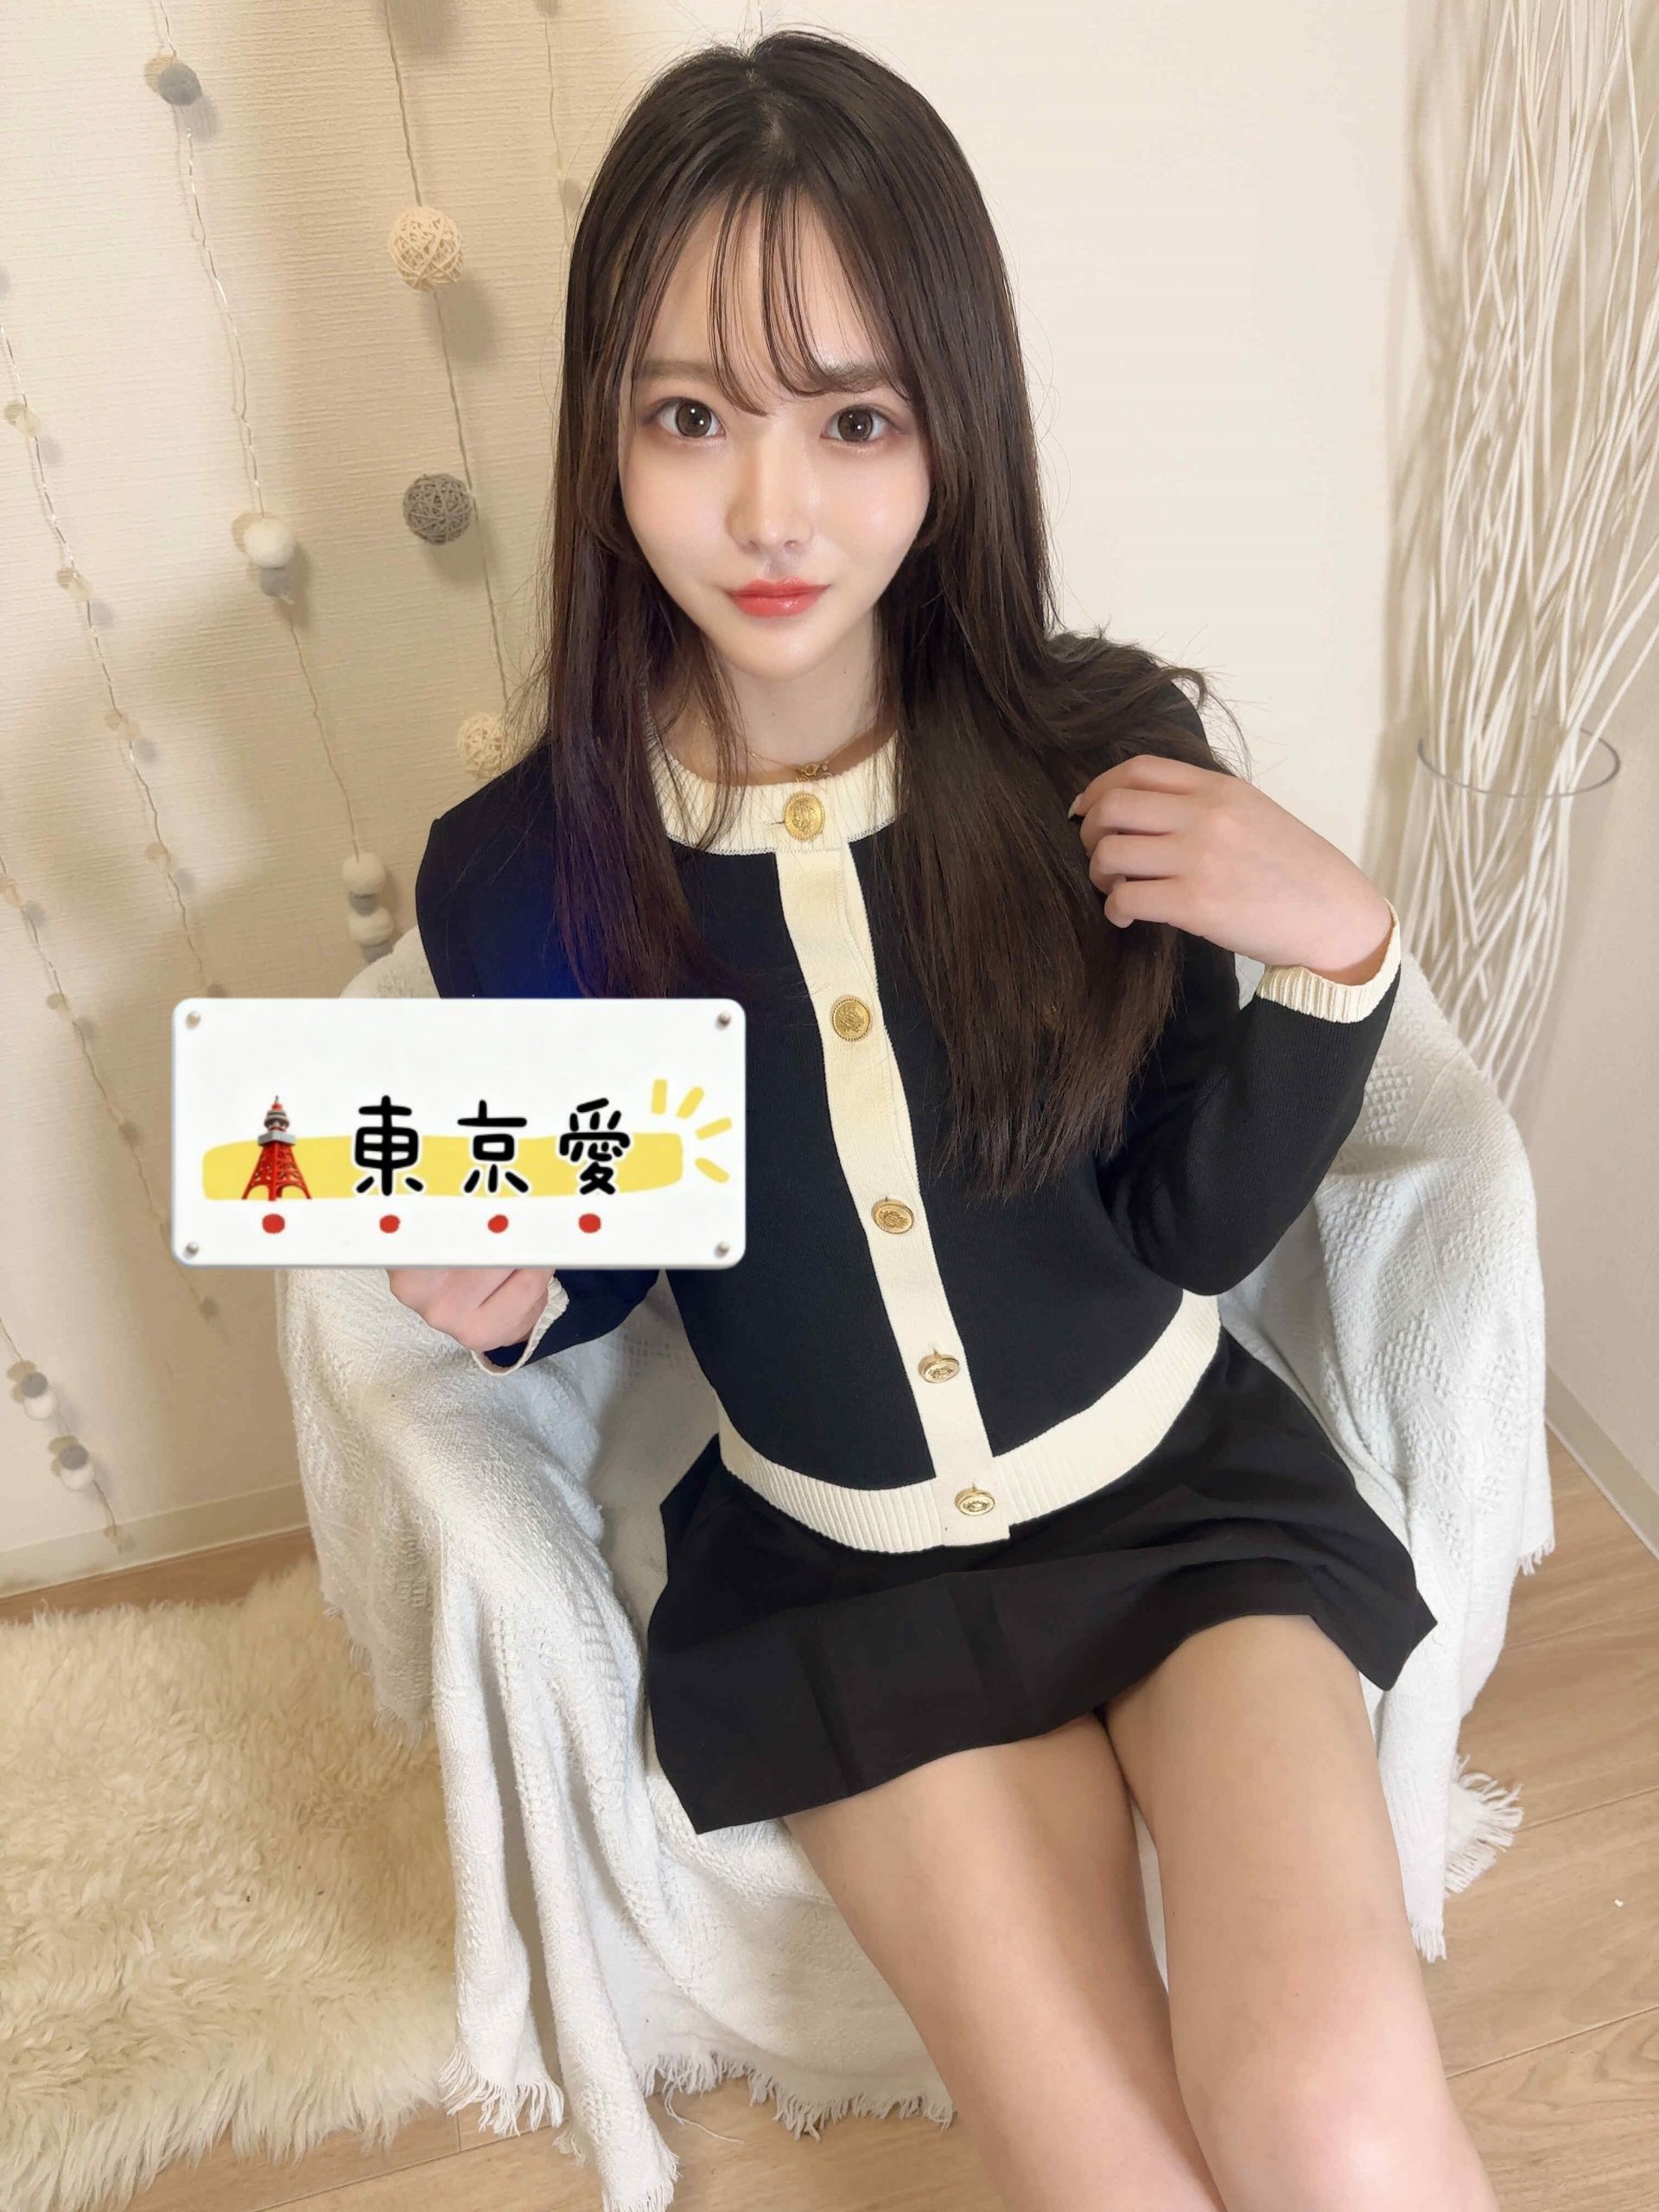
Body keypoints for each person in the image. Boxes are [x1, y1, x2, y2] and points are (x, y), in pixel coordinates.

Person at [391, 29, 1498, 2212]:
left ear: (948, 424)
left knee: (1345, 2129)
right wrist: (515, 1293)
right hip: (841, 1575)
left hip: (1181, 1507)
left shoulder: (1100, 747)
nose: (771, 510)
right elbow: (626, 1230)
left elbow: (1192, 1224)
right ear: (603, 433)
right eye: (691, 417)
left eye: (854, 418)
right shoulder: (516, 872)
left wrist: (1338, 960)